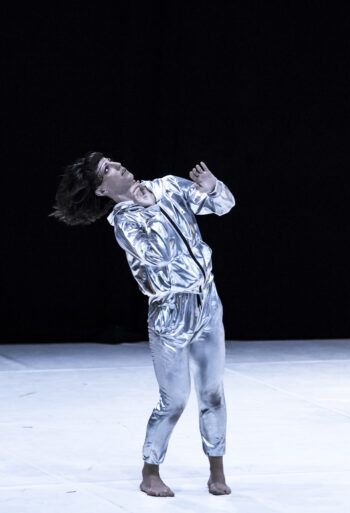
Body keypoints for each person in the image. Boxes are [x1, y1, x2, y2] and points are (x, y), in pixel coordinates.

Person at [51, 152, 235, 497]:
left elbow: (222, 206)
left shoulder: (167, 186)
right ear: (102, 189)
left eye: (112, 161)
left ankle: (217, 470)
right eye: (108, 169)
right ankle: (150, 471)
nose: (118, 165)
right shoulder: (124, 221)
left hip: (208, 302)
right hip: (170, 312)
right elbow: (158, 256)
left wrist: (213, 189)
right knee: (174, 400)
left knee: (213, 391)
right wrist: (150, 210)